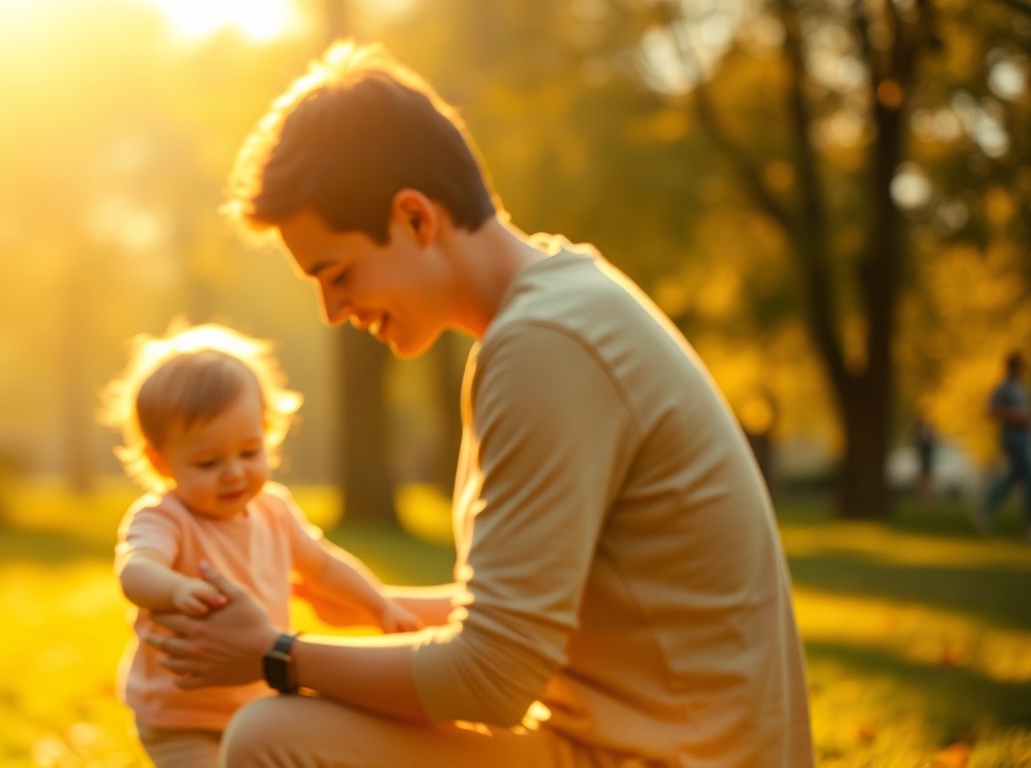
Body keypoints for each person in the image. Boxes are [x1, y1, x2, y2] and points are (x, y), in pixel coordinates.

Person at [146, 42, 815, 767]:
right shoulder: (555, 310)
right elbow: (517, 616)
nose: (333, 310)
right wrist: (359, 605)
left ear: (414, 219)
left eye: (337, 273)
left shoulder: (546, 348)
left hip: (661, 758)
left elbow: (492, 676)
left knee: (269, 736)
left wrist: (275, 654)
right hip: (628, 742)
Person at [100, 322, 420, 768]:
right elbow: (135, 569)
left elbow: (323, 566)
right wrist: (175, 589)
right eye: (208, 462)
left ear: (267, 434)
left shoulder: (274, 510)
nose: (233, 472)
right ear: (161, 460)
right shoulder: (165, 518)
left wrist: (377, 603)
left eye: (249, 452)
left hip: (260, 703)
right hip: (180, 717)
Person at [975, 351, 1030, 538]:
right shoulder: (1004, 388)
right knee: (1028, 475)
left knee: (1011, 479)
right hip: (1012, 437)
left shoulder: (1021, 387)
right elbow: (990, 410)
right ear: (1013, 367)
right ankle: (1028, 525)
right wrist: (1016, 417)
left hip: (1023, 436)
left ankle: (984, 511)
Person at [912, 404, 937, 505]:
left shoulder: (930, 425)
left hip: (928, 452)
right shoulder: (917, 425)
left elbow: (933, 438)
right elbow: (914, 438)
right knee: (922, 476)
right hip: (922, 452)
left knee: (928, 476)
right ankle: (922, 499)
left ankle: (928, 499)